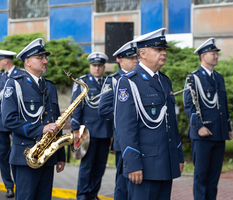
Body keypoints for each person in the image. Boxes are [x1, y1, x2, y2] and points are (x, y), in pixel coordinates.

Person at [114, 28, 184, 200]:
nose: (163, 53)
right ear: (143, 53)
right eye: (158, 49)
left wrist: (178, 155)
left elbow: (171, 124)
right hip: (144, 165)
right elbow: (125, 127)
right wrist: (132, 164)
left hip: (165, 163)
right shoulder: (129, 82)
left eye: (164, 49)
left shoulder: (164, 81)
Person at [1, 38, 66, 200]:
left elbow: (57, 121)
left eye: (46, 57)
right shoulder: (15, 84)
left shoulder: (50, 86)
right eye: (40, 58)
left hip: (48, 155)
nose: (45, 61)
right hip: (26, 156)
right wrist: (40, 129)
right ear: (27, 61)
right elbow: (9, 120)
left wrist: (60, 155)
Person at [183, 38, 233, 200]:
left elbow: (222, 105)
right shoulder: (194, 78)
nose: (216, 56)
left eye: (216, 54)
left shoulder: (218, 78)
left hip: (219, 133)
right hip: (203, 134)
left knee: (214, 178)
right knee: (201, 176)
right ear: (203, 56)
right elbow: (189, 105)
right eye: (213, 54)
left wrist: (228, 128)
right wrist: (198, 126)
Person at [70, 52, 113, 200]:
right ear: (90, 66)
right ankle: (82, 195)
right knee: (87, 166)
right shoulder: (82, 82)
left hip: (105, 131)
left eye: (100, 66)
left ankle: (93, 194)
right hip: (87, 132)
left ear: (104, 66)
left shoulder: (109, 82)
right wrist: (75, 130)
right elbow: (76, 106)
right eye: (94, 65)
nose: (97, 69)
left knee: (100, 166)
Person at [98, 40, 138, 200]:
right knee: (123, 183)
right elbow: (103, 109)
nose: (135, 60)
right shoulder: (112, 81)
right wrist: (126, 116)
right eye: (131, 58)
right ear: (119, 60)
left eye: (136, 57)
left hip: (141, 138)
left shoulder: (138, 78)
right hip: (123, 140)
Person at [0, 50, 25, 198]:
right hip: (2, 123)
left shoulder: (21, 74)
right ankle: (9, 185)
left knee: (19, 153)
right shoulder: (0, 77)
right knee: (2, 155)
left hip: (18, 121)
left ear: (5, 61)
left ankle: (21, 183)